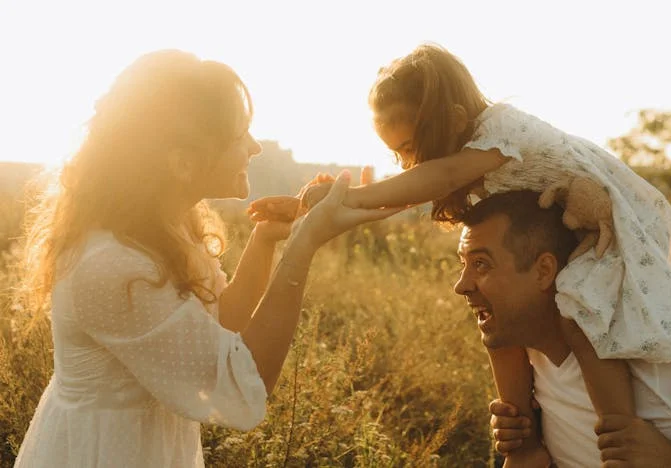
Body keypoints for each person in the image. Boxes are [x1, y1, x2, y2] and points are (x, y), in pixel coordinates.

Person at [252, 43, 671, 465]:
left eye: (409, 148)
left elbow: (432, 178)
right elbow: (404, 192)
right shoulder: (455, 156)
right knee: (495, 312)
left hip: (595, 226)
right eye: (397, 154)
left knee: (579, 307)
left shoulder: (500, 127)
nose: (407, 164)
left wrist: (347, 198)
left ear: (451, 119)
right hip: (543, 231)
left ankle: (619, 436)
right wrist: (309, 208)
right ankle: (526, 444)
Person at [13, 50, 400, 468]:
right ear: (183, 162)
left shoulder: (164, 229)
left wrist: (266, 239)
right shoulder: (112, 265)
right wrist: (304, 244)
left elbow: (224, 319)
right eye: (240, 135)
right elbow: (245, 378)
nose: (253, 147)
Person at [457, 191, 671, 467]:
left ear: (544, 271)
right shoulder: (524, 347)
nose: (461, 285)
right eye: (463, 264)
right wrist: (526, 434)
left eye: (481, 264)